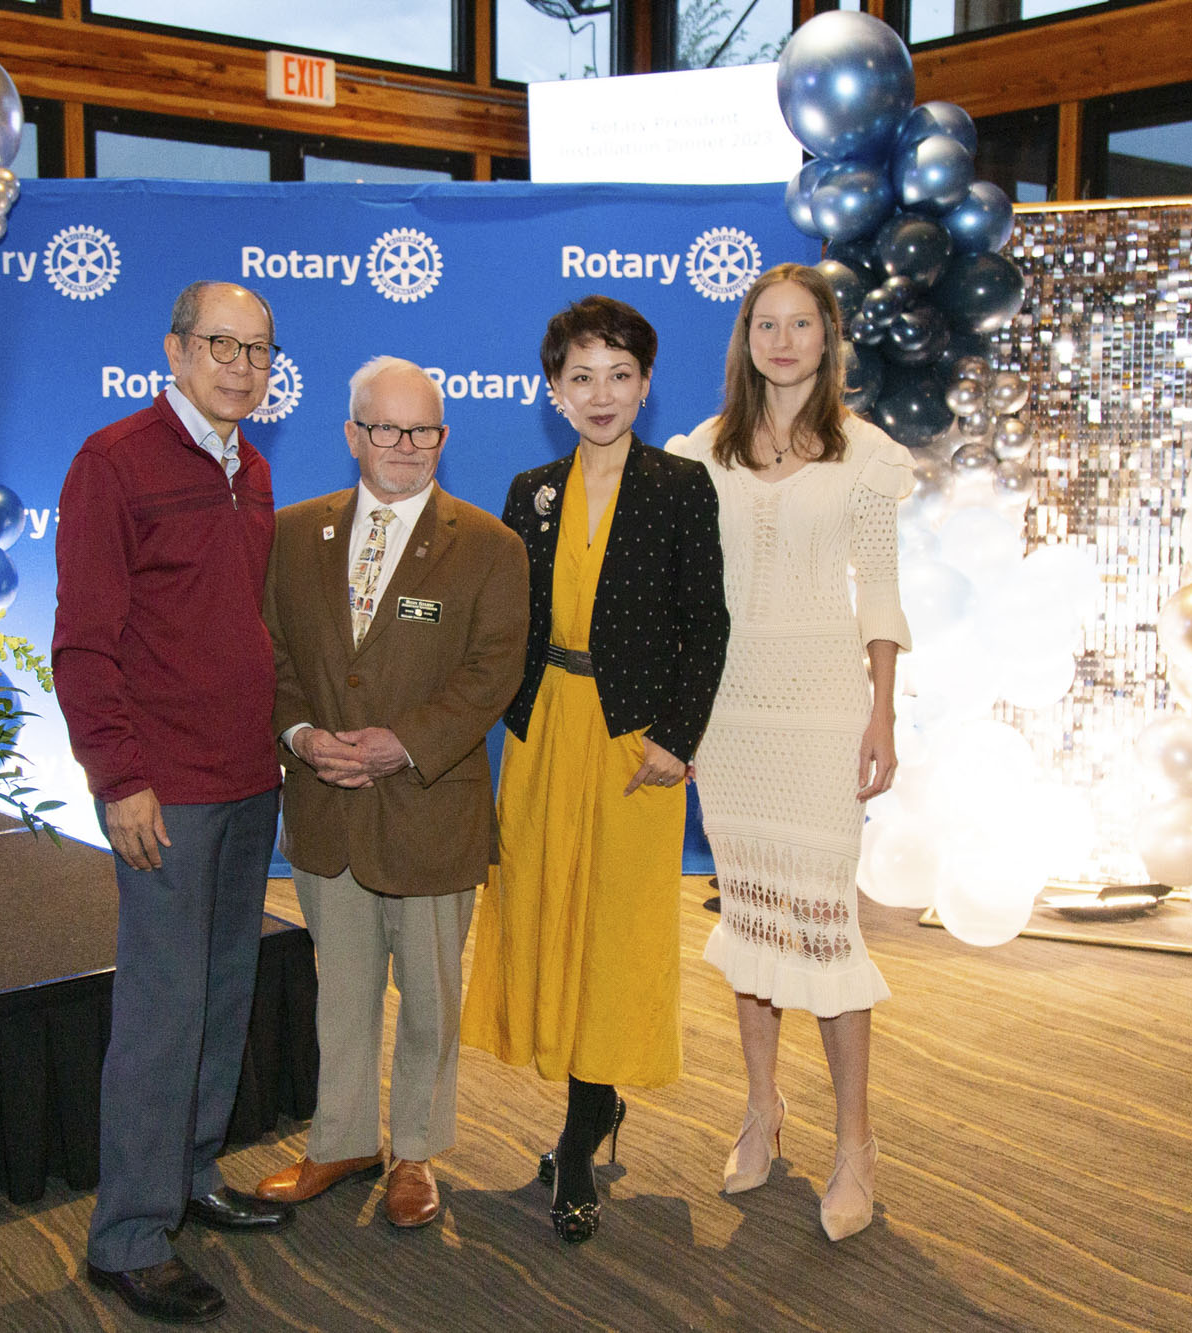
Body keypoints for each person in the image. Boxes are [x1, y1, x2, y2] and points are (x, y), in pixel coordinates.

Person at [461, 295, 730, 1245]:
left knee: (613, 930)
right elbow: (505, 623)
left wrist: (678, 739)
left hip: (632, 743)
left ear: (646, 385)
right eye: (582, 376)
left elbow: (708, 625)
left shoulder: (680, 486)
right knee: (544, 910)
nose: (602, 392)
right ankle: (588, 1099)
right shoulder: (530, 491)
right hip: (543, 733)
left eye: (620, 374)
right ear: (555, 391)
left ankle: (581, 1132)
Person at [52, 279, 294, 1325]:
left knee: (222, 994)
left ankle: (190, 1176)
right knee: (161, 1012)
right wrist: (118, 778)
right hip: (165, 792)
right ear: (176, 350)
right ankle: (130, 1236)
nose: (240, 367)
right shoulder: (113, 461)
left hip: (247, 781)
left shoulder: (254, 469)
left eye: (258, 351)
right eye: (220, 345)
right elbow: (82, 641)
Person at [665, 263, 913, 1242]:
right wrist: (679, 714)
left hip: (820, 711)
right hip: (730, 716)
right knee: (752, 916)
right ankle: (760, 1105)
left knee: (825, 927)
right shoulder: (702, 451)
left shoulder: (866, 455)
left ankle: (856, 1142)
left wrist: (882, 713)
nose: (781, 341)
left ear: (826, 336)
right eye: (763, 324)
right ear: (745, 340)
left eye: (799, 323)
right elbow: (688, 594)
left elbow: (880, 592)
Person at [253, 357, 530, 1229]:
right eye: (387, 428)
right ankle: (339, 1140)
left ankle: (415, 1151)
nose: (406, 446)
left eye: (424, 431)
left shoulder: (490, 545)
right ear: (352, 434)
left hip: (431, 806)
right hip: (325, 804)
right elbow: (270, 653)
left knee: (430, 998)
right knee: (340, 994)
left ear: (443, 437)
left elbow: (493, 672)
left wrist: (401, 745)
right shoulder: (291, 534)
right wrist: (301, 734)